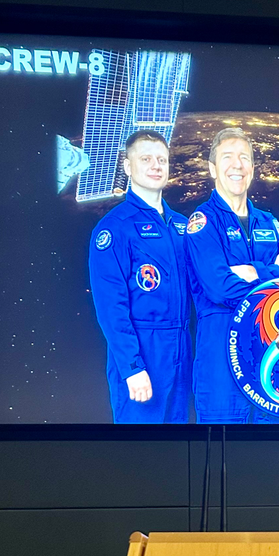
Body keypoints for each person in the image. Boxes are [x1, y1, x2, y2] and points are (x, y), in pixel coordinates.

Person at [184, 126, 279, 423]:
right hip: (221, 365)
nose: (237, 165)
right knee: (223, 460)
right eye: (227, 157)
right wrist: (277, 279)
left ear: (252, 168)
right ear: (212, 168)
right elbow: (220, 288)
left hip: (269, 356)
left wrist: (255, 271)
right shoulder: (202, 223)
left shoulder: (268, 221)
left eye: (244, 158)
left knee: (270, 461)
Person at [88, 130, 192, 423]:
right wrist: (132, 367)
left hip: (181, 348)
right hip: (145, 350)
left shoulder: (182, 226)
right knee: (140, 454)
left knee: (178, 450)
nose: (156, 166)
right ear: (127, 166)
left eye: (162, 159)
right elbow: (111, 307)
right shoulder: (115, 229)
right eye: (145, 159)